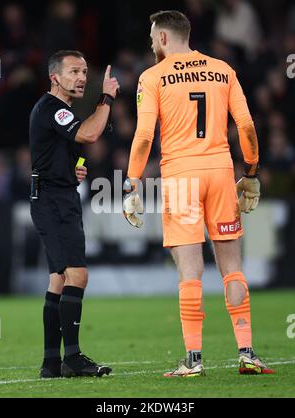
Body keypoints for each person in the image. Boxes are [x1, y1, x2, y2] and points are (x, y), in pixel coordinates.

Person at [123, 10, 275, 377]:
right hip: (221, 172)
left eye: (151, 35)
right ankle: (247, 352)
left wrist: (131, 182)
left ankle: (193, 359)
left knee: (190, 272)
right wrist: (251, 173)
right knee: (232, 268)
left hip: (180, 175)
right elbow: (247, 125)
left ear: (162, 38)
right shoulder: (223, 70)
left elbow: (144, 137)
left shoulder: (152, 76)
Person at [29, 50, 119, 378]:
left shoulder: (58, 111)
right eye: (74, 71)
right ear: (55, 76)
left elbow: (57, 152)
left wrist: (70, 171)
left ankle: (52, 362)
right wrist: (106, 98)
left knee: (59, 279)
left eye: (84, 71)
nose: (81, 77)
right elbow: (90, 134)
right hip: (54, 203)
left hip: (54, 196)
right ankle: (74, 358)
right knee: (78, 275)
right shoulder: (53, 108)